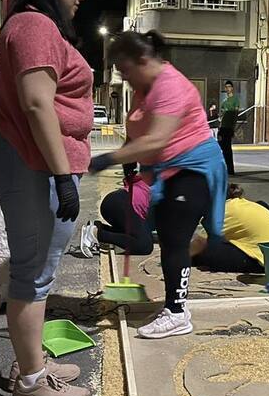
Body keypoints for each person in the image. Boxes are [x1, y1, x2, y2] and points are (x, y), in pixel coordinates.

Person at [0, 0, 93, 396]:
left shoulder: (36, 25)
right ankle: (31, 383)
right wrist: (63, 174)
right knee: (31, 273)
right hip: (32, 164)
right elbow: (35, 103)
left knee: (39, 270)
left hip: (34, 163)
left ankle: (32, 360)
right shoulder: (34, 24)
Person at [89, 30, 227, 339]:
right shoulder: (143, 87)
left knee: (175, 239)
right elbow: (138, 129)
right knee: (167, 238)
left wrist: (106, 158)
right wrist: (128, 165)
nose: (124, 78)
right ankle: (175, 305)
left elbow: (157, 138)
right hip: (168, 172)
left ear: (142, 60)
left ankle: (177, 313)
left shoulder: (170, 85)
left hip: (194, 170)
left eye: (125, 70)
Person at [190, 184, 269, 274]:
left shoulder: (220, 212)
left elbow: (199, 243)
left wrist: (178, 257)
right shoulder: (239, 202)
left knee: (207, 250)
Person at [75, 164, 153, 257]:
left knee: (138, 234)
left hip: (117, 201)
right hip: (122, 204)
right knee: (144, 245)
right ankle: (95, 234)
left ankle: (100, 228)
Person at [218, 80, 239, 175]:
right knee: (221, 147)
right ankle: (224, 167)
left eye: (229, 87)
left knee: (227, 149)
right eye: (226, 87)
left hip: (229, 127)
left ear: (232, 88)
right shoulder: (224, 101)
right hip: (222, 127)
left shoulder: (235, 100)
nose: (227, 89)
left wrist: (233, 127)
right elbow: (221, 115)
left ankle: (230, 169)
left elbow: (235, 114)